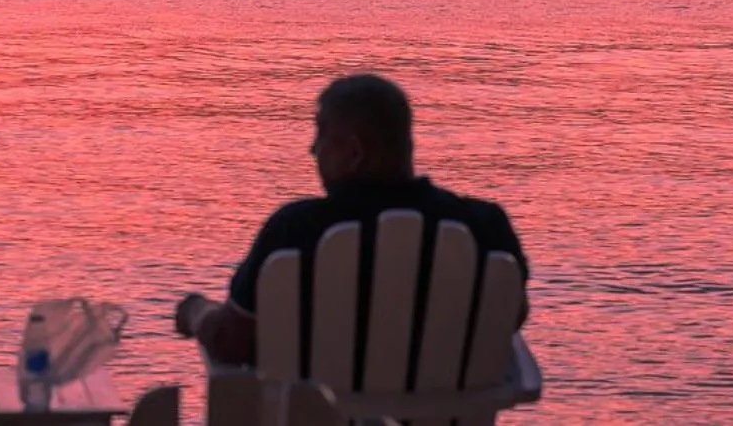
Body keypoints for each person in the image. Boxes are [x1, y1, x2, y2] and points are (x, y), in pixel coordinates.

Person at [175, 74, 527, 367]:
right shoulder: (486, 226)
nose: (313, 150)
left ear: (355, 153)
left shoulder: (296, 229)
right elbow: (507, 321)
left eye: (321, 134)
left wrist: (198, 313)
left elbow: (232, 344)